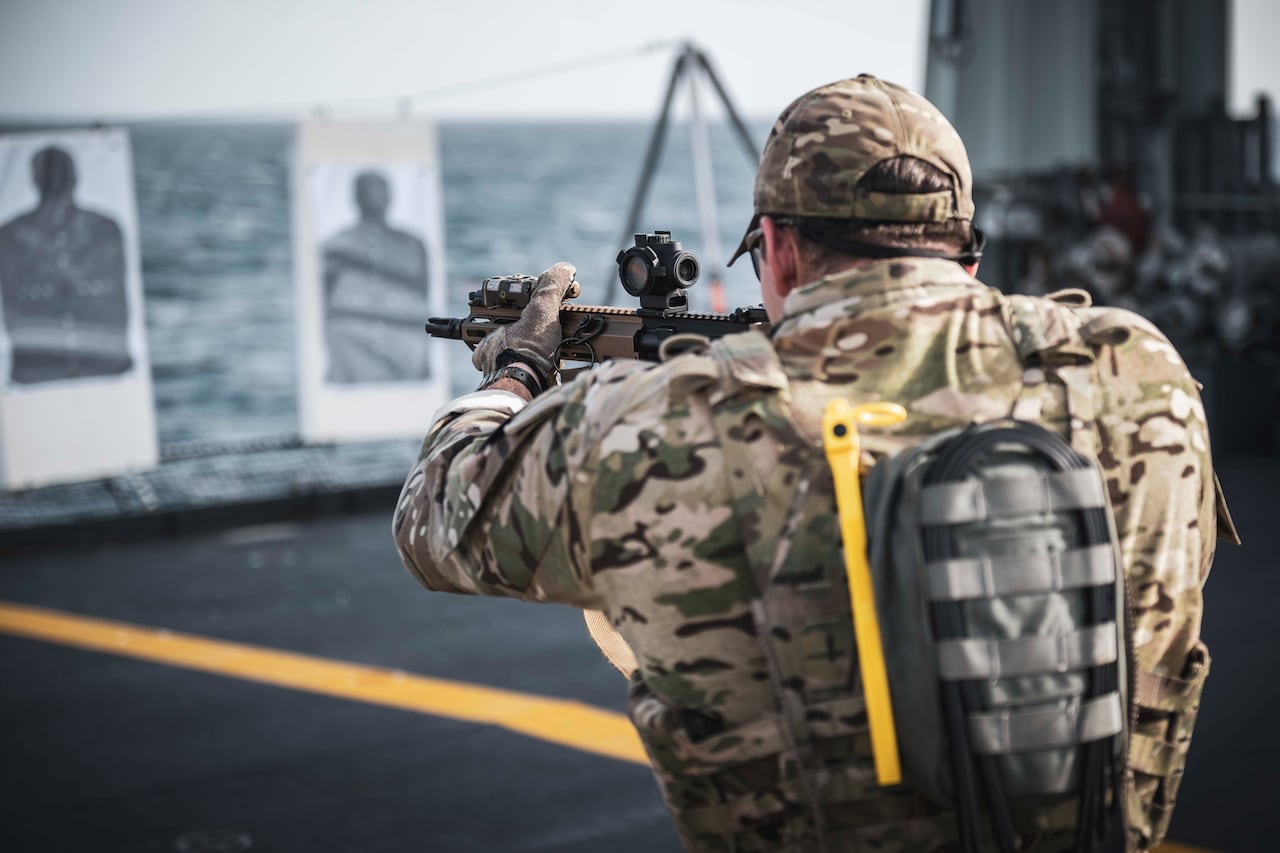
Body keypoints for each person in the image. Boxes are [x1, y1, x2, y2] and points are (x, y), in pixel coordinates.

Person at [393, 75, 1237, 852]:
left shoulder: (660, 424)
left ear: (779, 248)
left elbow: (434, 517)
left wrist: (519, 375)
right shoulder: (1137, 372)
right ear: (967, 254)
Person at [0, 145, 132, 385]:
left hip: (102, 371)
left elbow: (117, 303)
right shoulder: (11, 236)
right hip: (38, 372)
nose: (56, 183)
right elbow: (10, 306)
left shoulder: (105, 230)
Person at [321, 170, 430, 384]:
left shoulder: (413, 245)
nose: (375, 196)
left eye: (380, 190)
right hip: (351, 354)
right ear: (356, 197)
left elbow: (424, 296)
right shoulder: (337, 245)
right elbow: (325, 304)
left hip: (405, 349)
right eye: (368, 190)